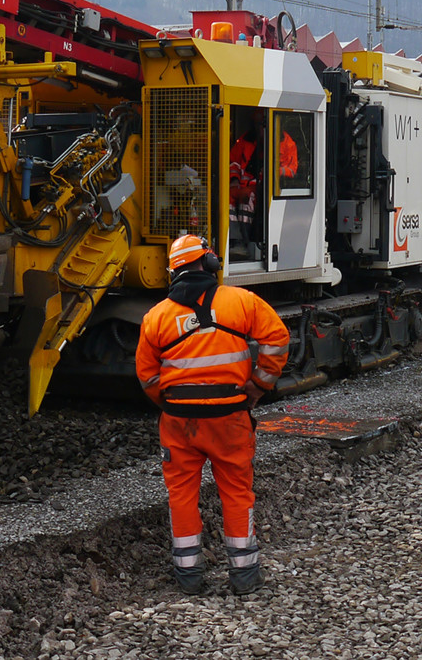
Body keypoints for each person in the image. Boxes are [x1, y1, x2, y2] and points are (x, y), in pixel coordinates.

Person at [135, 235, 290, 595]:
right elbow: (278, 340)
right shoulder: (241, 301)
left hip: (178, 422)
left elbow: (146, 376)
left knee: (181, 494)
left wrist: (172, 403)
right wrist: (256, 387)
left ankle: (188, 577)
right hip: (230, 417)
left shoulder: (156, 317)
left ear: (173, 272)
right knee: (236, 492)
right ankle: (245, 575)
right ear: (210, 263)